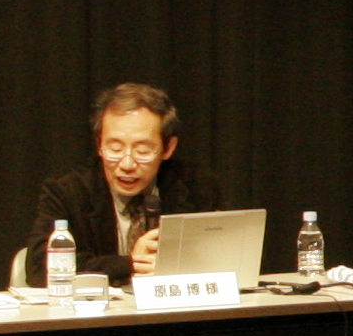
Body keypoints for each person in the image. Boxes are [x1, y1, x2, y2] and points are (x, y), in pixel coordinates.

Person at [22, 79, 221, 286]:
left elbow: (221, 261)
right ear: (99, 145)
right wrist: (130, 264)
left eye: (142, 151)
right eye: (115, 149)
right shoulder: (67, 191)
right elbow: (39, 268)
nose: (127, 164)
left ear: (168, 148)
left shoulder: (197, 187)